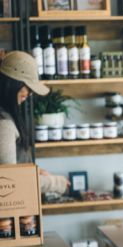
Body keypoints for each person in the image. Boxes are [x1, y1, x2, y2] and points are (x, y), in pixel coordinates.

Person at [0, 51, 68, 195]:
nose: (29, 94)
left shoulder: (5, 116)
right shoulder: (4, 124)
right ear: (12, 85)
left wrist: (33, 171)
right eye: (28, 88)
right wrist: (56, 183)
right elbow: (9, 182)